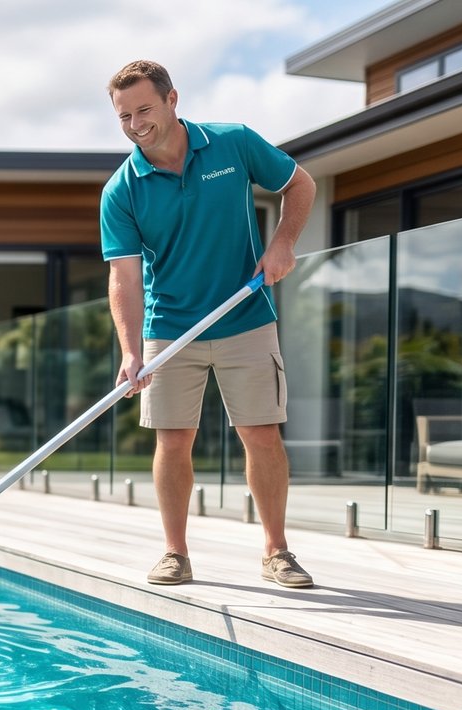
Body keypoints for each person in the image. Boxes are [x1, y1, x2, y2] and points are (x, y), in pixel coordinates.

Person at [101, 60, 317, 589]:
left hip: (244, 316)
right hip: (171, 327)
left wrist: (283, 242)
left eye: (144, 109)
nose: (135, 124)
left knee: (261, 435)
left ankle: (277, 551)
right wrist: (131, 351)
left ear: (173, 99)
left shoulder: (233, 144)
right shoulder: (122, 190)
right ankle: (175, 553)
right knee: (172, 441)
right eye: (124, 116)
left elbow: (301, 184)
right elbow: (124, 279)